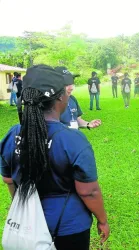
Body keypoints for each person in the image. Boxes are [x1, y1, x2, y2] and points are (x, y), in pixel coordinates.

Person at [0, 65, 110, 250]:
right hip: (69, 228)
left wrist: (23, 206)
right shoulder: (72, 139)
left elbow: (8, 179)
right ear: (61, 97)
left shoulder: (12, 135)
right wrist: (103, 220)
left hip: (28, 225)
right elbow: (88, 191)